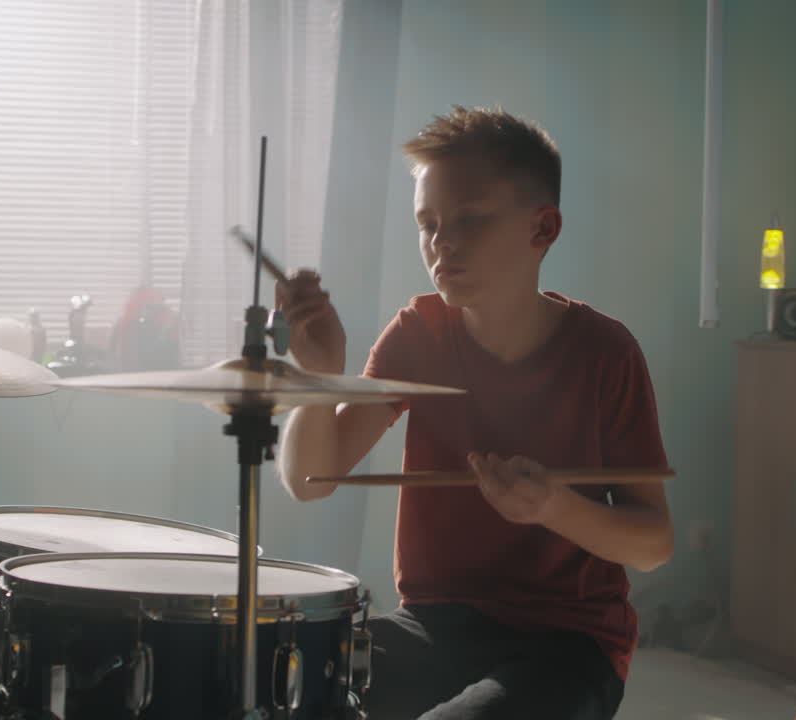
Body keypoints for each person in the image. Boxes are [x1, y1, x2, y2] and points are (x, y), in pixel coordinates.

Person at [276, 105, 673, 720]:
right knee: (288, 686)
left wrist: (553, 507)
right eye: (427, 223)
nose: (441, 244)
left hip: (569, 643)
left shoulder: (607, 352)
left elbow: (652, 543)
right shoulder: (417, 333)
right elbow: (309, 481)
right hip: (435, 624)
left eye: (469, 221)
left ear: (543, 229)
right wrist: (315, 375)